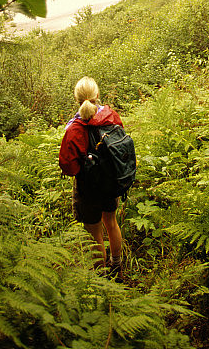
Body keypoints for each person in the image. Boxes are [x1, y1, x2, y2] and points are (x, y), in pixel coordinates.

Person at [59, 76, 124, 278]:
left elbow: (68, 167)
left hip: (88, 188)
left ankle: (101, 278)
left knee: (95, 234)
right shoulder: (111, 116)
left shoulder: (74, 129)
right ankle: (117, 266)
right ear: (97, 95)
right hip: (111, 182)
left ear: (77, 98)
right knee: (111, 223)